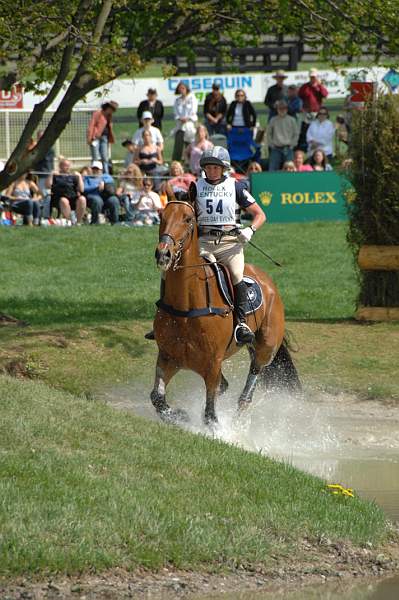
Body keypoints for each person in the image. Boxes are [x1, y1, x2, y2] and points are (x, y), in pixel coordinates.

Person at [145, 147, 266, 345]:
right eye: (208, 167)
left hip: (229, 244)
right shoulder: (196, 187)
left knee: (236, 275)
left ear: (224, 168)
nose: (212, 171)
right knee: (168, 271)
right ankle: (164, 317)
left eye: (216, 167)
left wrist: (250, 230)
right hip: (204, 243)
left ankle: (241, 324)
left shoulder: (235, 187)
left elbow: (260, 214)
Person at [50, 158, 86, 224]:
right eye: (65, 165)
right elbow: (48, 186)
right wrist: (51, 175)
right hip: (60, 198)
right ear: (60, 166)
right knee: (64, 201)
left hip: (73, 197)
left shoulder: (73, 176)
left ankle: (78, 222)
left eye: (68, 165)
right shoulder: (56, 175)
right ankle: (70, 221)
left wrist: (79, 177)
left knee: (82, 199)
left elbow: (81, 189)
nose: (67, 167)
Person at [87, 101, 118, 173]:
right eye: (111, 109)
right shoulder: (98, 113)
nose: (112, 111)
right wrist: (90, 137)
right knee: (95, 157)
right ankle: (94, 174)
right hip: (95, 138)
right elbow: (91, 125)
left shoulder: (109, 116)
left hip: (104, 137)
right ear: (107, 107)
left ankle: (106, 174)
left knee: (105, 158)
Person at [266, 100, 298, 171]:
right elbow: (268, 133)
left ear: (287, 109)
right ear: (277, 109)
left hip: (288, 148)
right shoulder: (273, 120)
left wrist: (292, 145)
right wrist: (271, 144)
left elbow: (296, 133)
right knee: (272, 168)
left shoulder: (292, 120)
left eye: (284, 108)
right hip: (276, 148)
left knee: (290, 168)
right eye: (280, 108)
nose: (282, 110)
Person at [172, 81, 198, 161]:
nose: (181, 90)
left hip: (190, 125)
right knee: (178, 146)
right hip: (180, 126)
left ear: (186, 89)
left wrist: (187, 118)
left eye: (183, 88)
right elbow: (175, 112)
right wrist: (180, 118)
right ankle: (176, 163)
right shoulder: (177, 100)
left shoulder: (192, 98)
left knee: (190, 146)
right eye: (180, 88)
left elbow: (193, 111)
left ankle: (190, 164)